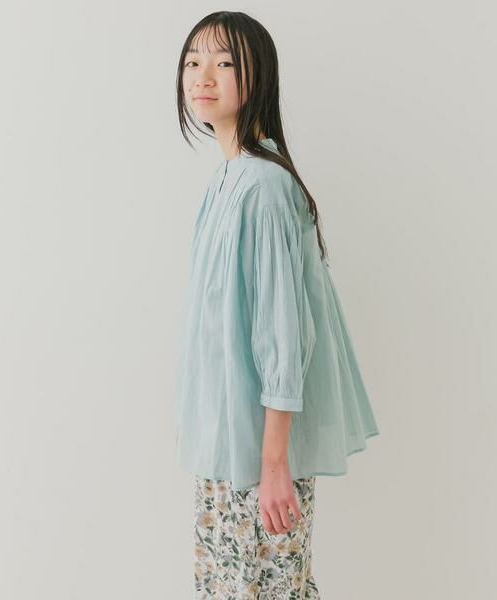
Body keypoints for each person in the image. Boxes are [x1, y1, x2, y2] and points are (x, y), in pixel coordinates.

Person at [174, 11, 380, 599]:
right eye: (193, 61)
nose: (202, 75)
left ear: (258, 75)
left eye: (224, 62)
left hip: (256, 457)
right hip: (226, 450)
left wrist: (272, 466)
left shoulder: (263, 187)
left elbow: (283, 338)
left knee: (263, 589)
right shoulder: (226, 180)